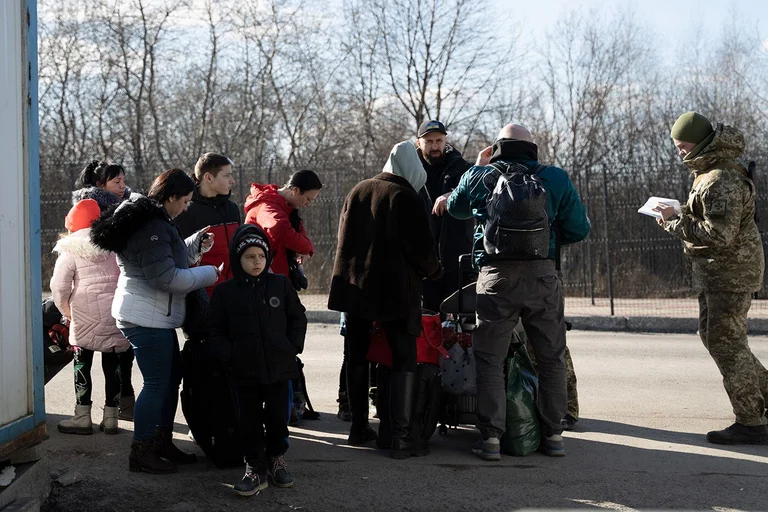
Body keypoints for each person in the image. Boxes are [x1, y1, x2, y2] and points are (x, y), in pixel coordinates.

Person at [447, 124, 590, 460]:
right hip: (543, 275)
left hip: (495, 277)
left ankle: (492, 439)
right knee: (550, 356)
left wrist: (477, 167)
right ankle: (553, 435)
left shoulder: (479, 176)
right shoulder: (555, 178)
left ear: (497, 146)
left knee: (490, 359)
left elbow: (455, 209)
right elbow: (579, 229)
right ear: (533, 148)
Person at [90, 168, 220, 474]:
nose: (187, 207)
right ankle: (142, 451)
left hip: (152, 314)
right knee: (157, 383)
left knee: (169, 379)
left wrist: (194, 245)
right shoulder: (152, 225)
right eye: (185, 201)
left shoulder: (155, 220)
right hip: (145, 317)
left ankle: (160, 442)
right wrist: (208, 274)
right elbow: (165, 277)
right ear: (171, 197)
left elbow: (166, 258)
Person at [655, 112, 768, 445]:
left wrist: (673, 223)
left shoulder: (720, 177)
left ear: (702, 143)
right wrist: (682, 211)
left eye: (683, 146)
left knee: (726, 344)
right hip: (717, 273)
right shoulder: (707, 173)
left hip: (729, 273)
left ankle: (751, 421)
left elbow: (719, 235)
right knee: (715, 338)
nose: (680, 152)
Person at [328, 141, 442, 459]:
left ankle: (358, 427)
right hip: (395, 291)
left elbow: (344, 240)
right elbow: (421, 250)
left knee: (356, 356)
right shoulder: (405, 196)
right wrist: (436, 271)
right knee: (403, 356)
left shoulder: (358, 190)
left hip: (356, 290)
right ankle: (401, 438)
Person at [208, 224, 307, 496]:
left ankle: (276, 459)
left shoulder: (281, 285)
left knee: (277, 419)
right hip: (243, 372)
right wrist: (229, 355)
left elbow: (297, 317)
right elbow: (214, 330)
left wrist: (292, 347)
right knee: (249, 422)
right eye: (250, 256)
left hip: (279, 369)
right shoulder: (225, 292)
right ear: (238, 259)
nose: (256, 261)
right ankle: (255, 467)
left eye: (261, 256)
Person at [50, 199, 131, 436]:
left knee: (82, 361)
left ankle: (82, 417)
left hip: (83, 314)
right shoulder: (115, 244)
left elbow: (59, 287)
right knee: (113, 363)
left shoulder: (70, 248)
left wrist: (66, 311)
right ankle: (111, 418)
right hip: (116, 312)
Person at [72, 160, 136, 422]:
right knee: (111, 353)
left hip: (119, 290)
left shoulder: (130, 207)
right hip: (105, 291)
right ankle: (111, 410)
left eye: (123, 180)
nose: (123, 186)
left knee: (121, 354)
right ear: (100, 185)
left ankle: (114, 406)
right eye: (116, 182)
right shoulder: (89, 211)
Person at [415, 120, 473, 314]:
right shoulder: (410, 172)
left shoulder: (462, 168)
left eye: (439, 140)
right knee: (427, 322)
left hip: (458, 261)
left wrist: (453, 195)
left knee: (461, 326)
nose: (435, 146)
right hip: (423, 263)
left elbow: (478, 194)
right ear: (418, 143)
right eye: (429, 141)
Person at [175, 152, 241, 295]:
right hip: (203, 294)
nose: (232, 181)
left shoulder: (232, 209)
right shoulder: (186, 211)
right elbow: (181, 258)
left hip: (235, 290)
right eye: (226, 175)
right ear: (209, 177)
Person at [243, 170, 322, 278]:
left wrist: (305, 250)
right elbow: (281, 231)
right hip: (263, 277)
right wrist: (307, 248)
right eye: (308, 199)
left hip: (276, 274)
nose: (308, 204)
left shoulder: (287, 207)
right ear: (295, 190)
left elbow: (298, 232)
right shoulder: (267, 205)